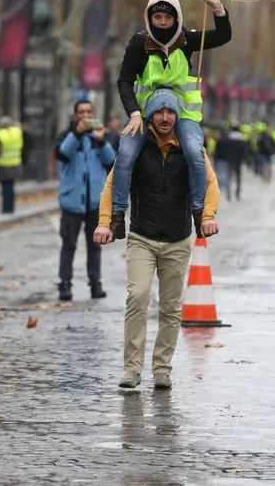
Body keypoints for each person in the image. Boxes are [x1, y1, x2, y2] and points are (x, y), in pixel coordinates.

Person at [93, 89, 220, 390]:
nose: (165, 118)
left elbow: (211, 185)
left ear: (177, 115)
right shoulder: (136, 149)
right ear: (150, 115)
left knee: (170, 307)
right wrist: (104, 223)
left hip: (177, 239)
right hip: (142, 237)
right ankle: (132, 368)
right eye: (159, 112)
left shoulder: (191, 151)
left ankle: (162, 368)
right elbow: (112, 186)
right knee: (137, 297)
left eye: (171, 112)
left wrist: (208, 216)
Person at [112, 0, 231, 239]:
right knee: (124, 155)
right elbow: (124, 81)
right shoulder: (138, 44)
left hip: (183, 113)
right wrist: (134, 113)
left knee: (194, 152)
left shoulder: (187, 40)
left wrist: (218, 8)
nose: (163, 22)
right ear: (149, 18)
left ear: (176, 19)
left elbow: (222, 36)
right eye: (158, 16)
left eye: (168, 17)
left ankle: (198, 211)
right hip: (145, 114)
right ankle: (117, 215)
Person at [55, 101, 116, 301]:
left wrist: (101, 141)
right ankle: (64, 284)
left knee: (95, 245)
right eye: (81, 112)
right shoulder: (67, 136)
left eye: (89, 112)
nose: (86, 116)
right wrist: (78, 133)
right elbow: (63, 153)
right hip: (72, 201)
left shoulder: (100, 136)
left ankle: (95, 283)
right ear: (75, 116)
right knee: (68, 245)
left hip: (95, 202)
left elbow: (111, 161)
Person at [0, 116, 23, 214]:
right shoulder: (17, 132)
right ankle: (11, 208)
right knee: (11, 187)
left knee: (5, 188)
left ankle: (5, 208)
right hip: (15, 163)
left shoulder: (0, 134)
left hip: (3, 164)